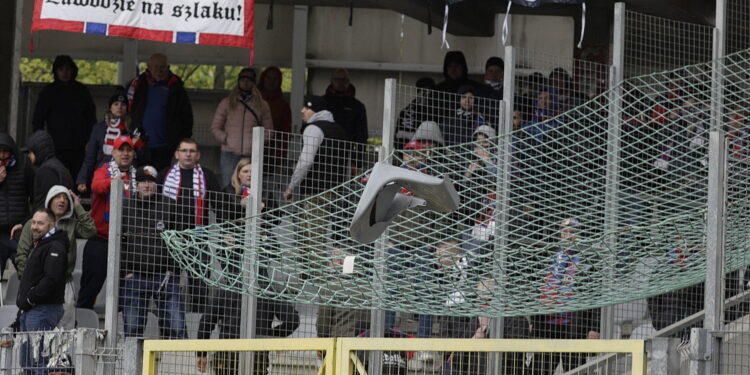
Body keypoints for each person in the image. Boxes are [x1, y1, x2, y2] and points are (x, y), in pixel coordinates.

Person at [196, 158, 300, 375]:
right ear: (238, 174)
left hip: (235, 345)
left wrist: (263, 209)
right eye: (245, 171)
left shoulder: (249, 289)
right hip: (249, 347)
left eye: (254, 171)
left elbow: (207, 322)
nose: (250, 175)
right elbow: (223, 218)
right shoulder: (228, 195)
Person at [282, 96, 367, 339]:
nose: (301, 111)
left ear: (314, 110)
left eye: (305, 107)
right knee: (330, 243)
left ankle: (318, 283)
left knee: (313, 241)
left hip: (313, 194)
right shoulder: (340, 130)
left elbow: (305, 159)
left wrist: (291, 186)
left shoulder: (313, 128)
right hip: (337, 193)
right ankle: (327, 280)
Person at [14, 186, 96, 329]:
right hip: (37, 285)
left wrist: (77, 205)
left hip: (64, 283)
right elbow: (21, 254)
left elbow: (90, 230)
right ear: (49, 200)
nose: (62, 200)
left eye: (65, 198)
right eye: (58, 197)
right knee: (36, 328)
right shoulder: (31, 224)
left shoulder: (71, 224)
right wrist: (28, 279)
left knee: (66, 327)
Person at [120, 165, 187, 339]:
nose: (147, 186)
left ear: (157, 184)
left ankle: (178, 365)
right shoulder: (125, 206)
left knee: (177, 328)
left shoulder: (170, 206)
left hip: (165, 276)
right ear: (136, 184)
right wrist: (126, 271)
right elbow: (119, 242)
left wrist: (173, 271)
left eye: (150, 182)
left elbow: (180, 241)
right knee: (133, 330)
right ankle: (132, 366)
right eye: (143, 181)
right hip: (135, 276)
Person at [160, 139, 221, 312]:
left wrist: (226, 231)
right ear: (177, 154)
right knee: (169, 284)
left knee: (199, 285)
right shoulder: (164, 175)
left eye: (192, 151)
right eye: (184, 150)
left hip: (198, 238)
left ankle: (198, 322)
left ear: (198, 155)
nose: (188, 154)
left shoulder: (208, 176)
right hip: (170, 238)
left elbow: (219, 205)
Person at [533, 218, 600, 374]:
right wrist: (534, 321)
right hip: (547, 325)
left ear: (580, 235)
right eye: (565, 232)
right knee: (540, 368)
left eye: (573, 233)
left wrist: (595, 327)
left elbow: (596, 294)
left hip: (574, 326)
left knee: (574, 369)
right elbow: (537, 289)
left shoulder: (589, 259)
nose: (568, 236)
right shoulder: (549, 258)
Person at [79, 135, 137, 309]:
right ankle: (81, 324)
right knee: (89, 289)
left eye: (129, 150)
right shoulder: (103, 170)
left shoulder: (136, 175)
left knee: (127, 292)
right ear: (113, 152)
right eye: (121, 150)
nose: (125, 154)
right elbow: (96, 186)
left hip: (126, 241)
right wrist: (115, 182)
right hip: (101, 239)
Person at [16, 208, 69, 375]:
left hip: (42, 310)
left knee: (39, 362)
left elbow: (51, 279)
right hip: (32, 311)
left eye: (40, 223)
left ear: (52, 225)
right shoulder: (42, 244)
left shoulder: (55, 246)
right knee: (28, 363)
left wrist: (31, 298)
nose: (35, 227)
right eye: (34, 222)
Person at [32, 55, 97, 178]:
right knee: (56, 179)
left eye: (68, 69)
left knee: (77, 180)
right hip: (55, 147)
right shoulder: (48, 92)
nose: (65, 73)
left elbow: (91, 119)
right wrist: (39, 144)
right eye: (61, 69)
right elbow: (38, 120)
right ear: (56, 71)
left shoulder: (82, 91)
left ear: (72, 71)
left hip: (79, 148)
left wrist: (90, 141)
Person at [128, 53, 193, 170]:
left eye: (162, 67)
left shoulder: (176, 87)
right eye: (155, 67)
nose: (159, 70)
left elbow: (187, 118)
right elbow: (127, 110)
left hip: (165, 146)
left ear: (168, 68)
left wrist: (179, 141)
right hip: (140, 143)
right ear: (148, 67)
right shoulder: (137, 84)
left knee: (161, 181)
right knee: (140, 179)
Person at [210, 67, 273, 186]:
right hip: (229, 153)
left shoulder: (262, 105)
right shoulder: (227, 102)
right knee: (228, 185)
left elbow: (269, 131)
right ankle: (230, 205)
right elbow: (215, 127)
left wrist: (256, 142)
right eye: (242, 79)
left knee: (250, 187)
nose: (245, 82)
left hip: (251, 154)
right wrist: (226, 139)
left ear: (254, 83)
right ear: (238, 81)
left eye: (249, 79)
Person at [76, 89, 145, 194]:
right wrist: (82, 179)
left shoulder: (134, 129)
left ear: (127, 108)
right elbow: (90, 157)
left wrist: (138, 144)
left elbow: (144, 157)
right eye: (116, 104)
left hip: (128, 175)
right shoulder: (99, 128)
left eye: (123, 104)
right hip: (103, 174)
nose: (119, 107)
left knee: (126, 205)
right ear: (110, 107)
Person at [0, 133, 34, 276]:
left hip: (19, 230)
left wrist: (26, 222)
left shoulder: (23, 165)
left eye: (5, 152)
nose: (2, 156)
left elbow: (34, 196)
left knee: (26, 273)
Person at [323, 69, 367, 172]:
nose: (341, 83)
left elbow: (362, 136)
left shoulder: (357, 106)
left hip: (346, 155)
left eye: (344, 80)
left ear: (349, 82)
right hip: (323, 152)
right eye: (337, 79)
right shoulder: (322, 102)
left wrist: (357, 162)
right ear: (331, 80)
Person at [23, 130, 74, 210]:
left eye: (30, 152)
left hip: (47, 220)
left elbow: (50, 203)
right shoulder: (58, 167)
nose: (29, 156)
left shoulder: (46, 171)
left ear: (38, 151)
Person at [395, 77, 437, 147]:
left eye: (428, 91)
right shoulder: (409, 111)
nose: (426, 94)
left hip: (415, 149)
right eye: (423, 91)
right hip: (412, 150)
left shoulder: (436, 109)